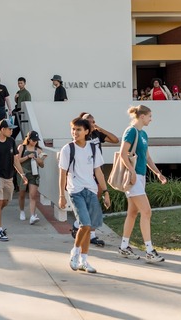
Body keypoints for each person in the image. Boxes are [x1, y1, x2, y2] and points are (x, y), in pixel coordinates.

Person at [58, 117, 110, 273]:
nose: (75, 132)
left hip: (91, 191)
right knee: (85, 224)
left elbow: (98, 172)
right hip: (76, 191)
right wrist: (61, 195)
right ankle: (75, 252)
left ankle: (84, 260)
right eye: (73, 129)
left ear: (87, 131)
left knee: (89, 228)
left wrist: (106, 192)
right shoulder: (68, 149)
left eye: (78, 129)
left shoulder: (93, 148)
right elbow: (62, 173)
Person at [117, 105, 167, 263]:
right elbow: (123, 153)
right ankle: (150, 251)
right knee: (146, 212)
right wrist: (131, 171)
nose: (151, 119)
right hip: (134, 178)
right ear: (142, 116)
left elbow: (147, 157)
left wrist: (157, 173)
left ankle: (124, 247)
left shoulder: (143, 134)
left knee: (133, 213)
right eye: (149, 116)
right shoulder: (131, 131)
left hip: (141, 176)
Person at [74, 112, 120, 247]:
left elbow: (115, 140)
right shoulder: (81, 138)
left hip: (96, 170)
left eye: (94, 121)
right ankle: (85, 229)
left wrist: (99, 128)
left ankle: (80, 225)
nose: (92, 123)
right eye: (90, 121)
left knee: (94, 202)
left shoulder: (97, 135)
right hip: (84, 174)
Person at [17, 130, 46, 225]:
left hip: (34, 174)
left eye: (36, 140)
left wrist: (39, 159)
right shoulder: (22, 147)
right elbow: (17, 161)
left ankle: (32, 215)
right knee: (22, 194)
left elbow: (42, 165)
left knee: (33, 195)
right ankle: (21, 210)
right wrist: (28, 157)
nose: (35, 142)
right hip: (23, 173)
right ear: (28, 139)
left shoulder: (38, 150)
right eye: (33, 140)